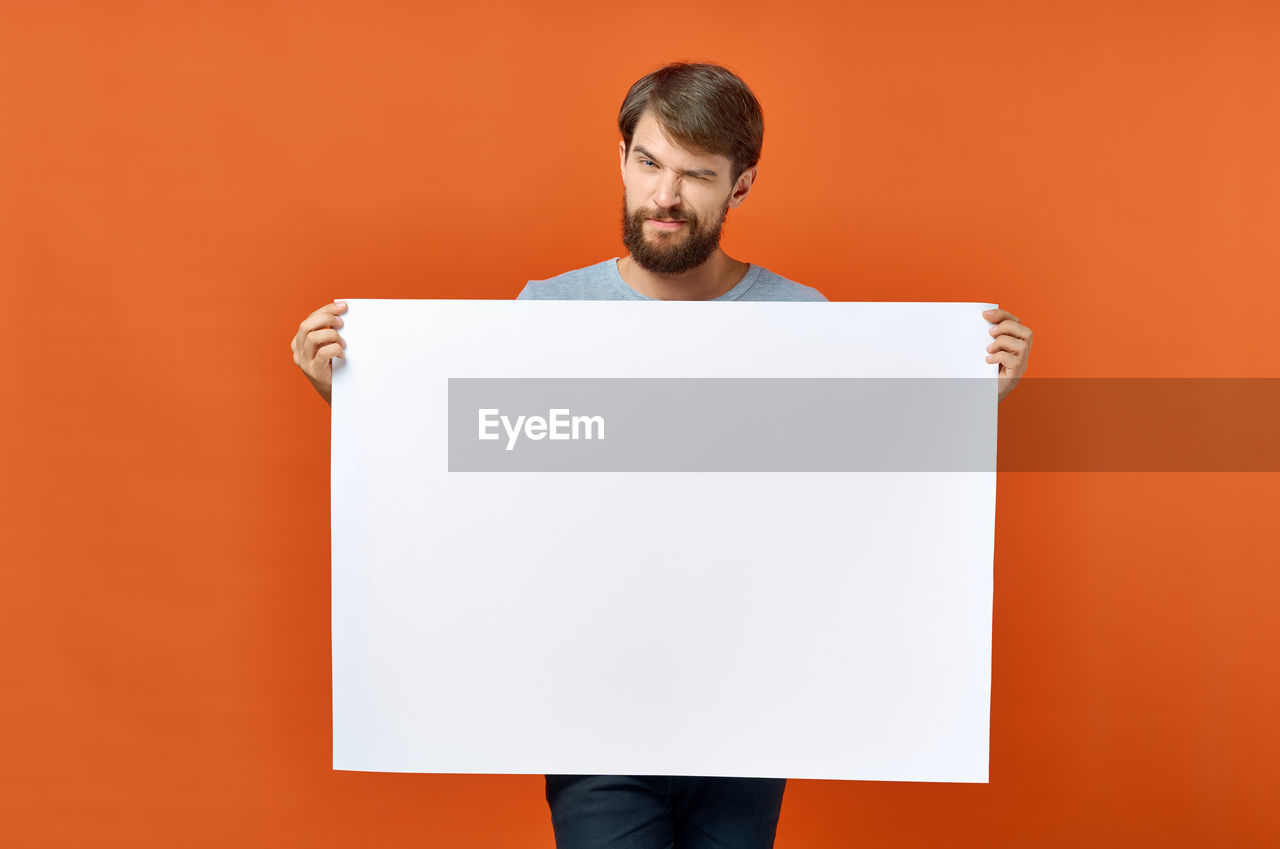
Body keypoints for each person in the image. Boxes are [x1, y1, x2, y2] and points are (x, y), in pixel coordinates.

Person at [292, 62, 1033, 849]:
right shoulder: (548, 312)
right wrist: (350, 395)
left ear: (741, 186)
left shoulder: (802, 320)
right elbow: (478, 481)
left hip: (750, 706)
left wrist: (970, 407)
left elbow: (858, 497)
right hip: (593, 706)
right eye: (648, 163)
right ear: (621, 158)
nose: (666, 196)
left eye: (696, 175)